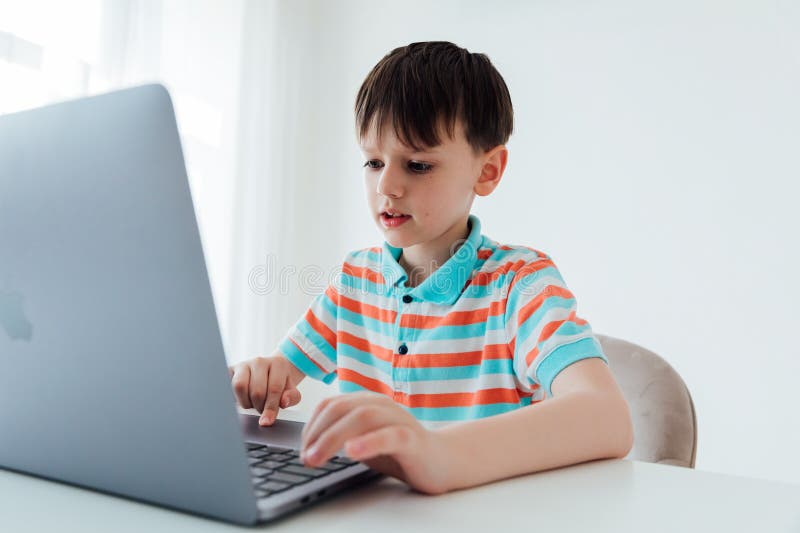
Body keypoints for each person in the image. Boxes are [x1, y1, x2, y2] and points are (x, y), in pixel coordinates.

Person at [228, 41, 633, 495]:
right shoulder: (355, 280)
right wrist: (262, 377)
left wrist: (438, 452)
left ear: (487, 171)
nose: (386, 185)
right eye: (373, 161)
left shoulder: (519, 283)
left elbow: (609, 418)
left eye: (418, 165)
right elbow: (282, 369)